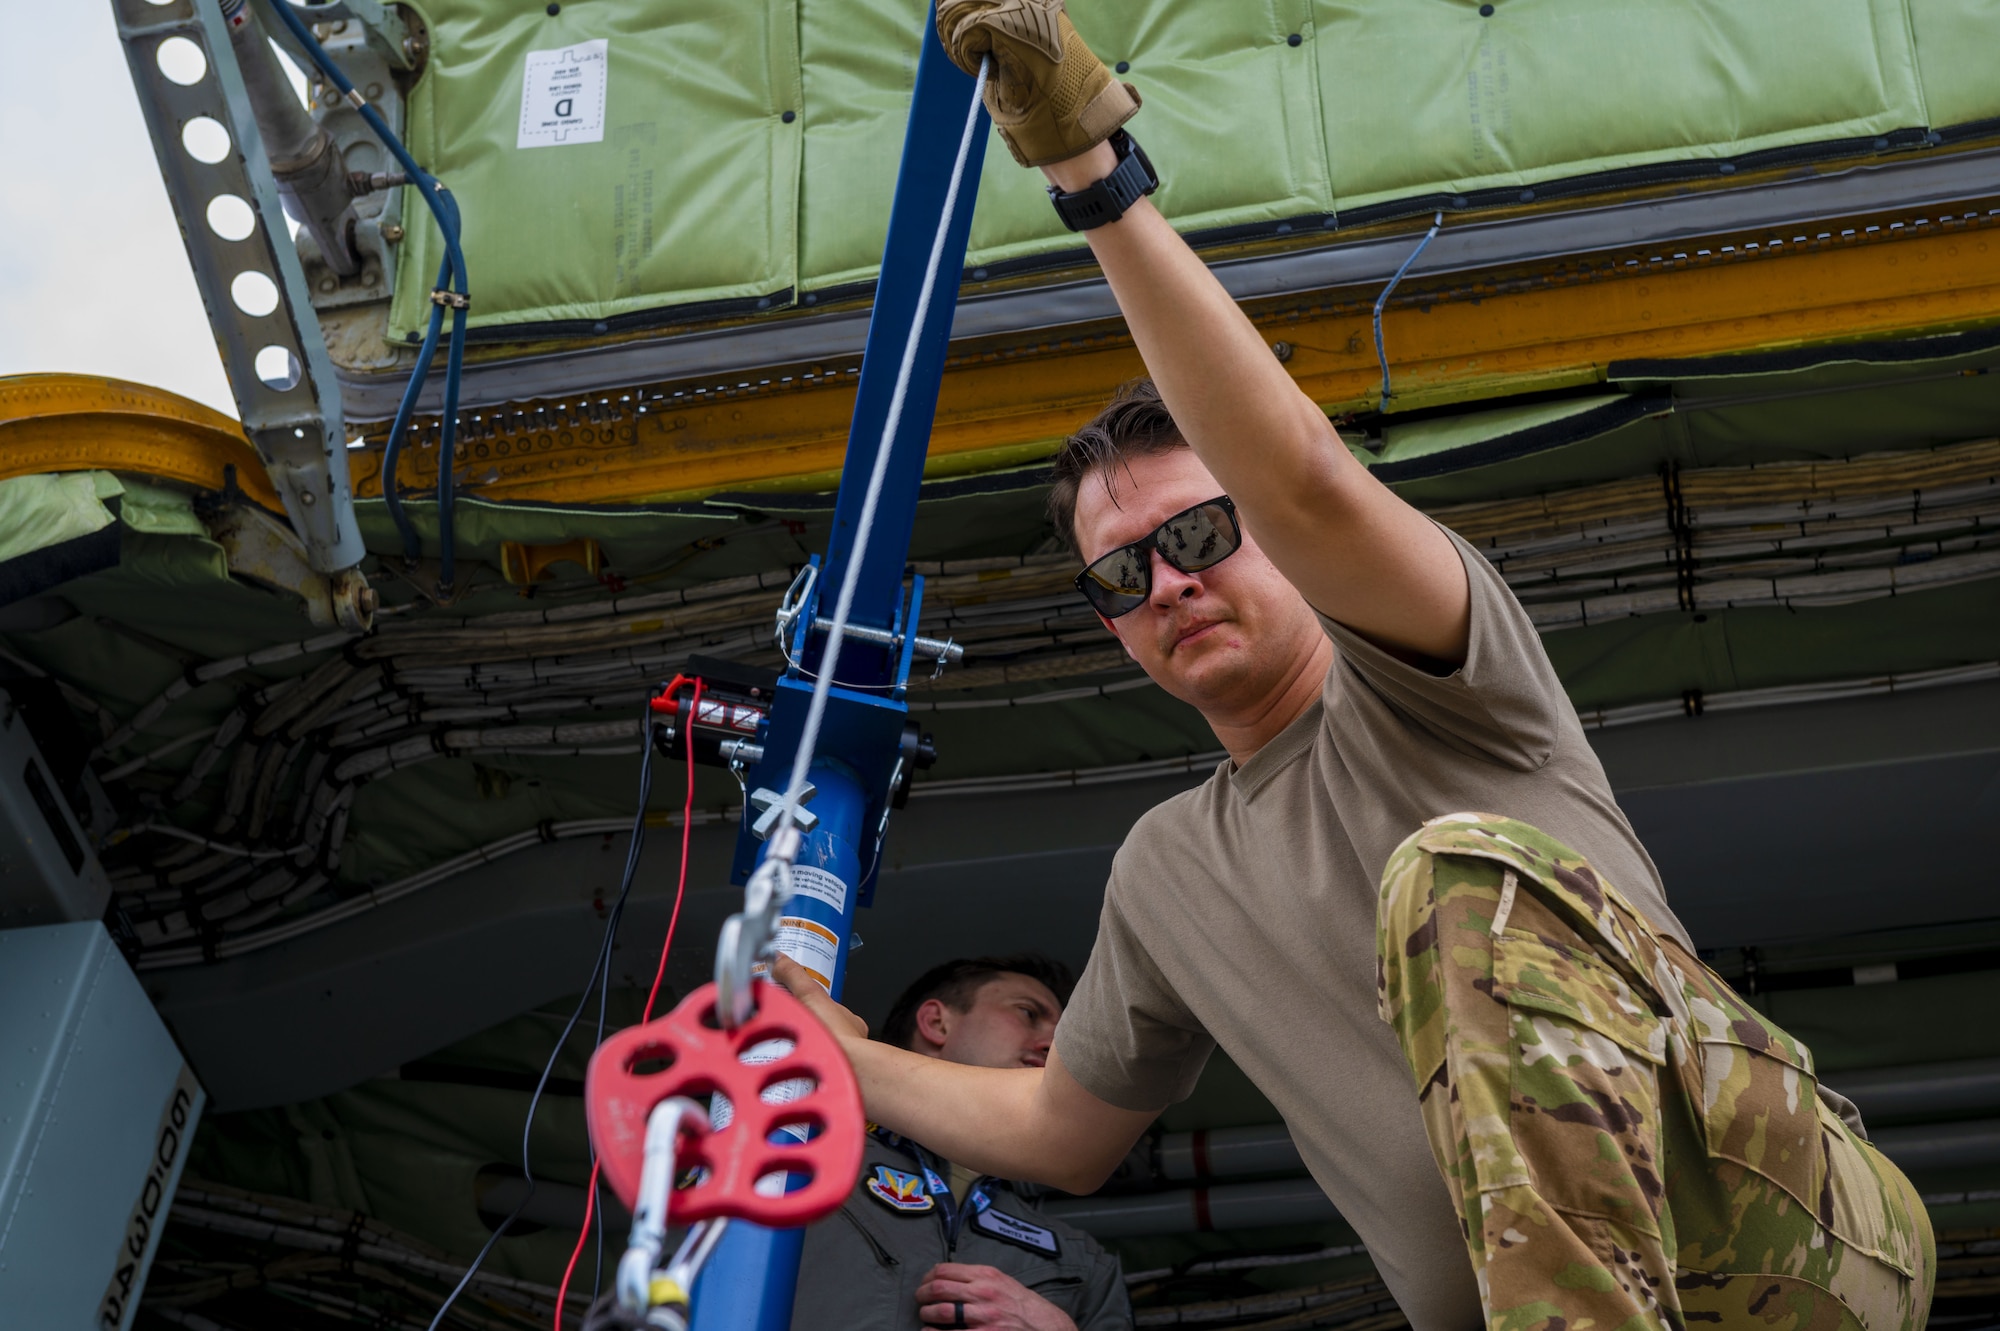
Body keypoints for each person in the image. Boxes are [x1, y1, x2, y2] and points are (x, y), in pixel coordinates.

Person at [774, 5, 1937, 1331]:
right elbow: (1060, 1123)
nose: (1169, 583)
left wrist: (1093, 180)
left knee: (1445, 872)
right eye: (1120, 576)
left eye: (1201, 532)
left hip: (1779, 1240)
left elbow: (1313, 484)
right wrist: (839, 1054)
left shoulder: (1429, 667)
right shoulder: (1169, 871)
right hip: (1537, 1309)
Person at [791, 956, 1131, 1331]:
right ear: (937, 1023)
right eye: (1029, 1014)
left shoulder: (1083, 1260)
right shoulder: (792, 1157)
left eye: (1065, 1032)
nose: (1056, 1045)